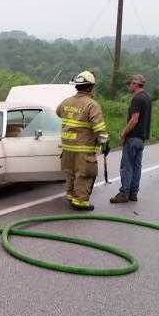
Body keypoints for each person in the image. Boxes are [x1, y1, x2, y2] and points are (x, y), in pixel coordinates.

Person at [56, 70, 109, 211]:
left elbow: (58, 111)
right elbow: (99, 128)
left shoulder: (66, 102)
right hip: (83, 147)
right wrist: (105, 143)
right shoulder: (92, 105)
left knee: (70, 173)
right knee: (84, 175)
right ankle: (79, 202)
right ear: (90, 87)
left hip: (67, 147)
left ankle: (70, 195)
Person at [110, 74, 151, 203]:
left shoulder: (136, 99)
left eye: (130, 84)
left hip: (133, 137)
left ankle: (124, 193)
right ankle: (133, 193)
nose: (129, 86)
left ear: (135, 84)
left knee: (127, 166)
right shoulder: (147, 98)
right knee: (137, 166)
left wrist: (123, 133)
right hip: (142, 138)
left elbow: (134, 120)